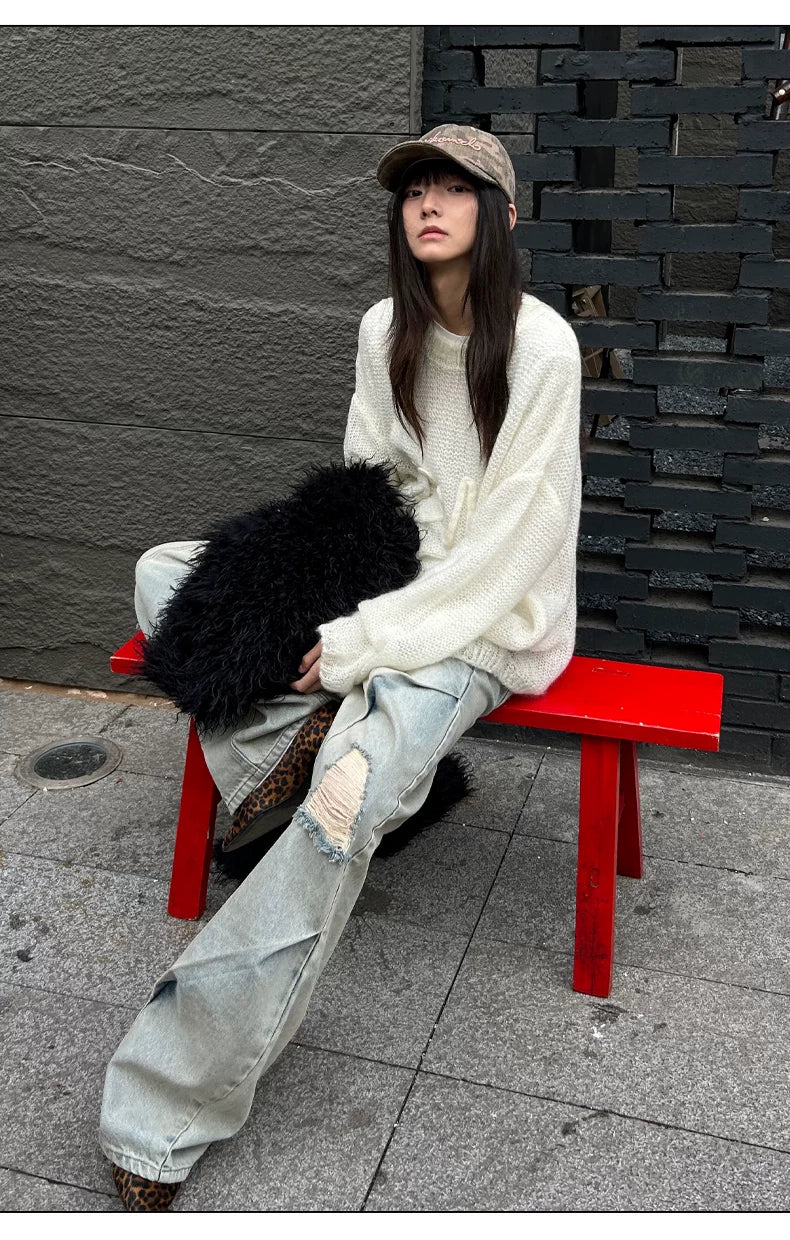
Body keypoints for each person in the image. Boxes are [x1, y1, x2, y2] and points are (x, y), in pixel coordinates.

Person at [99, 122, 583, 1211]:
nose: (428, 203)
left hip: (483, 624)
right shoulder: (384, 330)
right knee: (167, 577)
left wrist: (366, 643)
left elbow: (510, 550)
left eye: (455, 187)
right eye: (414, 188)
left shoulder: (543, 350)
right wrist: (330, 592)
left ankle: (162, 1107)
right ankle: (296, 759)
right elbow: (374, 485)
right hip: (390, 586)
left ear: (502, 216)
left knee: (344, 802)